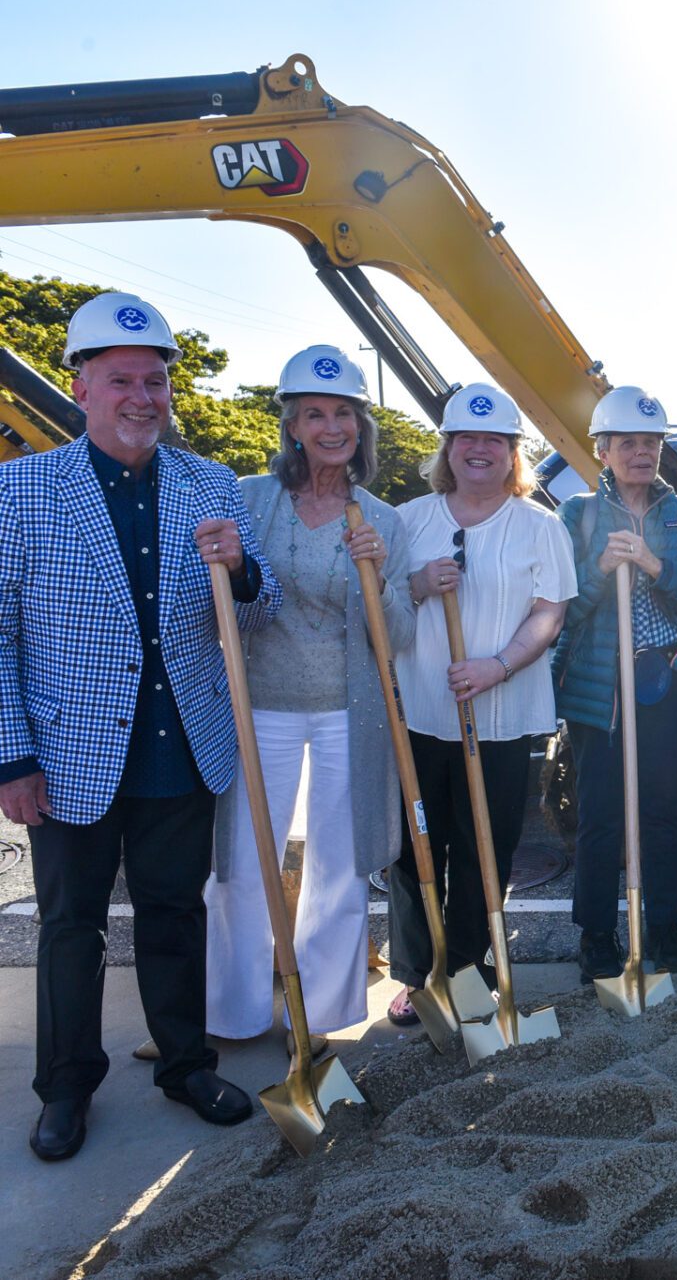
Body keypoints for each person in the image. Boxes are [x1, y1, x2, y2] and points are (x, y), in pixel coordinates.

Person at [0, 292, 281, 1160]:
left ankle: (185, 1065)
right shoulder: (21, 487)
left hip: (180, 746)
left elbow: (256, 611)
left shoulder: (209, 482)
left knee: (172, 914)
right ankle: (67, 1086)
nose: (140, 397)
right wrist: (11, 755)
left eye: (154, 381)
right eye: (120, 379)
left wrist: (241, 572)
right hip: (71, 752)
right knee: (71, 926)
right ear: (81, 388)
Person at [204, 346, 413, 1053]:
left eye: (344, 413)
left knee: (339, 865)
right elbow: (218, 600)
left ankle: (314, 1015)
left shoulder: (384, 517)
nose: (331, 427)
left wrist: (380, 577)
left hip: (345, 713)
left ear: (362, 427)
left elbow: (402, 636)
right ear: (291, 424)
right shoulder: (248, 497)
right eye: (314, 413)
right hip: (255, 702)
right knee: (237, 861)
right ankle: (231, 1012)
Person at [386, 384, 574, 1025]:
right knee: (414, 851)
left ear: (513, 453)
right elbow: (377, 608)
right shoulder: (408, 519)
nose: (480, 449)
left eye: (495, 439)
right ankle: (418, 976)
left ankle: (470, 975)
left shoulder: (540, 525)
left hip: (499, 719)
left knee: (483, 849)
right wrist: (415, 583)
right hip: (418, 714)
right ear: (448, 447)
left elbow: (551, 610)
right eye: (467, 437)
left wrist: (497, 666)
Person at [553, 387, 677, 981]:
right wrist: (601, 569)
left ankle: (664, 927)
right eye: (627, 443)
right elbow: (562, 611)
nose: (641, 453)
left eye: (650, 442)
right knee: (600, 812)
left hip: (666, 678)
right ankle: (597, 935)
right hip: (600, 684)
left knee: (660, 811)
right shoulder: (579, 515)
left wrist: (654, 564)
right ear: (602, 450)